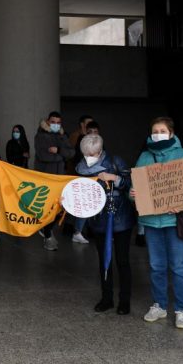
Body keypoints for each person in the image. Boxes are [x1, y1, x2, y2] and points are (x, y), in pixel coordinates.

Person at [131, 117, 183, 328]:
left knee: (179, 266)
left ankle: (181, 309)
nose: (158, 133)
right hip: (151, 222)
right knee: (156, 266)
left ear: (171, 133)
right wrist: (132, 194)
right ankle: (159, 304)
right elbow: (135, 186)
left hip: (174, 221)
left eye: (162, 130)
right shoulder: (144, 156)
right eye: (154, 130)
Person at [76, 135, 134, 315]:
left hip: (121, 218)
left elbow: (130, 184)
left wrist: (114, 178)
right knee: (104, 261)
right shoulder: (81, 167)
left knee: (122, 260)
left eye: (93, 154)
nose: (89, 157)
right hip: (99, 219)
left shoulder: (115, 161)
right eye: (86, 154)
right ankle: (106, 298)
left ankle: (124, 301)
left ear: (100, 151)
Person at [34, 111, 75, 250]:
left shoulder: (62, 136)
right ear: (47, 121)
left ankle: (46, 230)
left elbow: (71, 153)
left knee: (61, 208)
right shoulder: (41, 136)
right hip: (46, 178)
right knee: (48, 208)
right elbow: (43, 156)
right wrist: (62, 155)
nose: (56, 125)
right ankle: (48, 235)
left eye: (58, 123)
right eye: (53, 122)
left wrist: (58, 151)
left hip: (60, 178)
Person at [72, 121, 101, 245]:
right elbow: (78, 162)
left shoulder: (100, 143)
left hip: (97, 180)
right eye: (90, 132)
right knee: (85, 206)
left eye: (95, 132)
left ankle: (97, 231)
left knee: (98, 207)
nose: (93, 134)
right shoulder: (81, 142)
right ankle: (77, 232)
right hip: (85, 179)